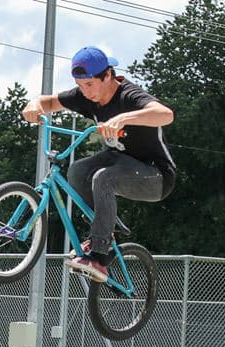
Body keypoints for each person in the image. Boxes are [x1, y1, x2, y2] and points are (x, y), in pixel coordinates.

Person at [22, 45, 176, 283]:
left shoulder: (129, 96)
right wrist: (34, 105)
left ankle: (99, 259)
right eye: (81, 86)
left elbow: (165, 114)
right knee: (77, 171)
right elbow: (50, 101)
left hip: (155, 176)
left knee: (103, 177)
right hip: (119, 161)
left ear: (107, 75)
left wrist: (123, 118)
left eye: (90, 85)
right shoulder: (86, 97)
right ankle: (101, 234)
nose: (85, 92)